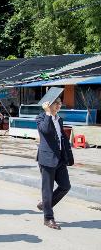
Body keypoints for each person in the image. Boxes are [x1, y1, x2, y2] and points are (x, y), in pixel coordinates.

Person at [36, 98, 73, 230]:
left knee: (65, 186)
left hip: (60, 158)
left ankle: (45, 205)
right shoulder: (41, 117)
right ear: (48, 104)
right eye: (56, 103)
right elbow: (45, 130)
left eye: (60, 103)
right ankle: (48, 218)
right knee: (47, 190)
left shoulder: (59, 119)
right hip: (47, 159)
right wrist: (47, 113)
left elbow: (61, 137)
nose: (59, 105)